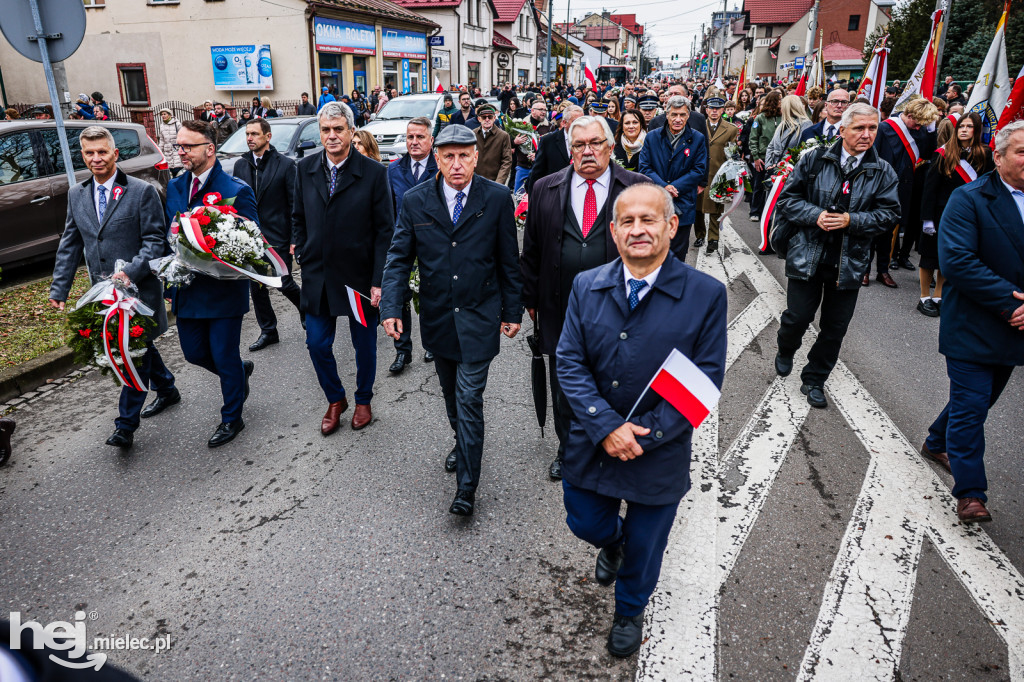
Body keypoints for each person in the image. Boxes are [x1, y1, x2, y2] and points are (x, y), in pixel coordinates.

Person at [556, 182, 727, 658]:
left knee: (647, 545)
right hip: (594, 441)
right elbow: (569, 360)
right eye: (626, 221)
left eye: (648, 220)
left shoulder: (706, 294)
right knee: (585, 521)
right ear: (612, 231)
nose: (637, 230)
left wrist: (642, 436)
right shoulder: (586, 285)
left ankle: (630, 610)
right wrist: (605, 425)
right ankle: (612, 543)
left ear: (671, 225)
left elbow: (704, 380)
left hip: (659, 450)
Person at [381, 125, 523, 516]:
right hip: (439, 317)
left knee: (468, 398)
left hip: (480, 317)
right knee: (449, 396)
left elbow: (509, 262)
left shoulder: (495, 198)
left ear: (476, 157)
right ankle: (462, 442)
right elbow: (398, 259)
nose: (457, 164)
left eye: (464, 156)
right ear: (436, 159)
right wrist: (391, 307)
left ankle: (466, 488)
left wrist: (513, 311)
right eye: (449, 156)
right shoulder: (415, 200)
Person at [520, 116, 649, 480]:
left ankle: (610, 443)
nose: (587, 151)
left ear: (611, 146)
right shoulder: (545, 188)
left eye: (595, 143)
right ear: (569, 150)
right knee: (565, 388)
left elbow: (653, 253)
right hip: (561, 309)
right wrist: (530, 299)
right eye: (579, 145)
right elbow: (531, 251)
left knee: (615, 383)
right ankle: (569, 448)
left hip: (619, 309)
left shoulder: (636, 187)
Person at [919, 119, 1024, 524]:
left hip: (1014, 330)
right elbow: (958, 262)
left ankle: (935, 440)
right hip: (974, 324)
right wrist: (1009, 303)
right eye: (1021, 151)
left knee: (980, 401)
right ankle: (970, 492)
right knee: (972, 405)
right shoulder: (970, 198)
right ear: (997, 157)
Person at [48, 126, 178, 450]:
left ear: (115, 154)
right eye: (90, 153)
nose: (96, 159)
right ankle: (167, 388)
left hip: (137, 294)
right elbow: (71, 243)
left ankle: (125, 425)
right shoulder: (76, 195)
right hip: (103, 296)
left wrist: (129, 273)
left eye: (102, 152)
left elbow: (154, 243)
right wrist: (59, 289)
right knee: (140, 349)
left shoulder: (141, 191)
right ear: (83, 156)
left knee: (132, 352)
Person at [774, 103, 900, 409]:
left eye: (873, 128)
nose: (867, 134)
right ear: (841, 129)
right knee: (797, 317)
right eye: (859, 128)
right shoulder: (814, 159)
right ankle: (786, 347)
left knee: (834, 329)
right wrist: (816, 215)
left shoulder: (882, 171)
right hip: (808, 254)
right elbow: (787, 200)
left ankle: (815, 379)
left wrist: (851, 221)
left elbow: (890, 214)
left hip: (849, 262)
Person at [292, 101, 394, 435]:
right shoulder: (304, 169)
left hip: (358, 278)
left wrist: (379, 279)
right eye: (325, 130)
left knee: (363, 344)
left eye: (338, 129)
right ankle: (336, 399)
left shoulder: (374, 173)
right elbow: (298, 217)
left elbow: (385, 232)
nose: (332, 136)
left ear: (352, 131)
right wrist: (302, 249)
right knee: (316, 343)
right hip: (318, 276)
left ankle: (363, 398)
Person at [166, 120, 258, 446]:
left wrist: (221, 249)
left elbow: (252, 244)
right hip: (187, 291)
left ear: (209, 148)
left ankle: (232, 417)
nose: (181, 152)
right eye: (179, 146)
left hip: (223, 292)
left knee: (223, 353)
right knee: (193, 354)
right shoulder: (175, 187)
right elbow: (170, 236)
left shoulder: (236, 190)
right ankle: (237, 371)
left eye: (188, 146)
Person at [231, 117, 303, 351]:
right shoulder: (241, 165)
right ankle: (268, 330)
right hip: (249, 237)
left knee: (283, 281)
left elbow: (295, 204)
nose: (250, 138)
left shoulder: (285, 164)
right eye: (247, 134)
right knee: (257, 286)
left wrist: (294, 238)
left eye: (254, 134)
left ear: (267, 137)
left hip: (278, 234)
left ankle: (308, 313)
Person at [916, 113, 993, 317]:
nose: (964, 130)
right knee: (929, 255)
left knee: (949, 256)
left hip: (967, 215)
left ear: (977, 130)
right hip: (940, 212)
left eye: (969, 126)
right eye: (961, 126)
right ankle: (924, 296)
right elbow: (930, 188)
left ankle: (939, 295)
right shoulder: (942, 153)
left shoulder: (984, 154)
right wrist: (927, 219)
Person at [386, 117, 438, 374]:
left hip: (433, 243)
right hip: (405, 242)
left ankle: (431, 343)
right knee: (402, 298)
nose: (414, 142)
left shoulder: (440, 167)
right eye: (410, 137)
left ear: (431, 140)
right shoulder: (394, 170)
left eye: (420, 137)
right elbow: (390, 210)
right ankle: (402, 351)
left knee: (429, 295)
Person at [870, 97, 940, 286]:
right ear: (908, 115)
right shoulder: (885, 127)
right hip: (881, 185)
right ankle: (864, 270)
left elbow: (927, 154)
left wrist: (931, 132)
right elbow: (873, 155)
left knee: (889, 232)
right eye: (916, 124)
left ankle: (883, 271)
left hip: (904, 187)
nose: (918, 128)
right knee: (870, 231)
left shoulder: (922, 129)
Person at [638, 95, 708, 261]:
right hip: (656, 203)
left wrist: (674, 188)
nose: (678, 119)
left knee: (677, 255)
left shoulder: (698, 139)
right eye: (674, 114)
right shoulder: (652, 136)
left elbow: (699, 170)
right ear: (666, 114)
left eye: (682, 115)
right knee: (653, 252)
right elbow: (645, 167)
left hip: (682, 203)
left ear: (688, 116)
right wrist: (663, 187)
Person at [695, 96, 739, 254]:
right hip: (699, 173)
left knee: (715, 207)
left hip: (718, 173)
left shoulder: (731, 129)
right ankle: (700, 234)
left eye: (718, 109)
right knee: (697, 208)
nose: (714, 111)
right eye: (711, 108)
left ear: (722, 111)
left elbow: (733, 152)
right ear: (706, 110)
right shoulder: (697, 126)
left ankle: (713, 238)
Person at [526, 105, 584, 193]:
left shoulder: (589, 141)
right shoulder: (548, 141)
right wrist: (533, 199)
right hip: (554, 194)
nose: (581, 125)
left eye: (582, 121)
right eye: (575, 122)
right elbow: (537, 173)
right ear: (564, 123)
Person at [748, 91, 782, 222]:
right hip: (762, 157)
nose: (781, 102)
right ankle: (755, 211)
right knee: (758, 185)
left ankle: (769, 213)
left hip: (778, 158)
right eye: (779, 100)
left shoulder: (782, 117)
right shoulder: (760, 118)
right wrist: (756, 157)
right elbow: (753, 138)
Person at [512, 98, 552, 193]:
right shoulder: (521, 124)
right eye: (541, 110)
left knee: (539, 196)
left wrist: (538, 156)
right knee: (519, 195)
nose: (544, 112)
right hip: (523, 167)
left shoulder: (549, 127)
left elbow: (551, 148)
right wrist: (514, 142)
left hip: (541, 169)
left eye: (545, 110)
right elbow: (507, 143)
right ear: (533, 111)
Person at [765, 94, 813, 168]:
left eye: (782, 107)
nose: (780, 109)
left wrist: (786, 166)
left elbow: (802, 150)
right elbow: (771, 146)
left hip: (791, 169)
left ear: (788, 108)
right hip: (775, 168)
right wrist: (768, 165)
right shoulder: (782, 124)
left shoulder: (806, 124)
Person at [474, 103, 513, 184]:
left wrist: (499, 183)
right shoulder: (473, 134)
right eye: (484, 117)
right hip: (475, 182)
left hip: (494, 182)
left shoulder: (503, 136)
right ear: (479, 119)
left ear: (494, 118)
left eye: (490, 117)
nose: (487, 119)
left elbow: (507, 161)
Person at [156, 108, 184, 178]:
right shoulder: (161, 126)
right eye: (162, 114)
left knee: (178, 170)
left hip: (176, 150)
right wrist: (160, 152)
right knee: (170, 172)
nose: (163, 116)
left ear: (169, 115)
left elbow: (182, 135)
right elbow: (162, 140)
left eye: (165, 114)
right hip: (167, 152)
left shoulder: (177, 124)